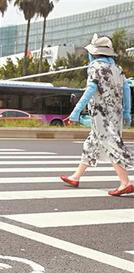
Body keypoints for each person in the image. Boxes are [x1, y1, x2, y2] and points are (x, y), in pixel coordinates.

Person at [61, 34, 133, 196]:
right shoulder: (117, 69)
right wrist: (127, 112)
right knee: (92, 143)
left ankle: (125, 183)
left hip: (101, 115)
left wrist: (75, 112)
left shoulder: (95, 68)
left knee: (110, 143)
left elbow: (91, 90)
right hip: (116, 114)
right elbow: (126, 90)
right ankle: (76, 176)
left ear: (93, 53)